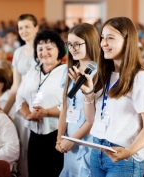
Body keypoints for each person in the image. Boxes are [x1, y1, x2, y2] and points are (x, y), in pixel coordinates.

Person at [70, 17, 144, 176]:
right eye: (102, 38)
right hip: (98, 151)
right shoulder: (103, 74)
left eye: (110, 38)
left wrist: (129, 151)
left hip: (124, 156)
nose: (103, 43)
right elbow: (91, 118)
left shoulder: (141, 79)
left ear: (127, 41)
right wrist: (88, 93)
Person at [16, 30, 66, 177]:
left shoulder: (66, 72)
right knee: (34, 172)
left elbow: (71, 104)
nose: (44, 52)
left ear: (59, 50)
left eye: (49, 48)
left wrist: (47, 112)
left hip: (56, 133)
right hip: (34, 134)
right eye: (40, 48)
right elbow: (20, 97)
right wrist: (27, 114)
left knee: (54, 173)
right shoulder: (33, 71)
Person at [56, 23, 100, 177]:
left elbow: (94, 118)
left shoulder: (99, 75)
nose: (72, 48)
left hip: (87, 140)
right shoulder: (68, 71)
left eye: (77, 44)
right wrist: (60, 138)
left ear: (90, 43)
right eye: (69, 44)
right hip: (69, 140)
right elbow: (64, 108)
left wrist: (72, 139)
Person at [3, 14, 39, 177]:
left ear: (36, 28)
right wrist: (4, 111)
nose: (23, 30)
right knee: (23, 147)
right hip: (21, 103)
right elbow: (15, 86)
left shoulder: (44, 48)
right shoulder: (18, 52)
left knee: (37, 148)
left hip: (40, 104)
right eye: (20, 28)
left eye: (27, 27)